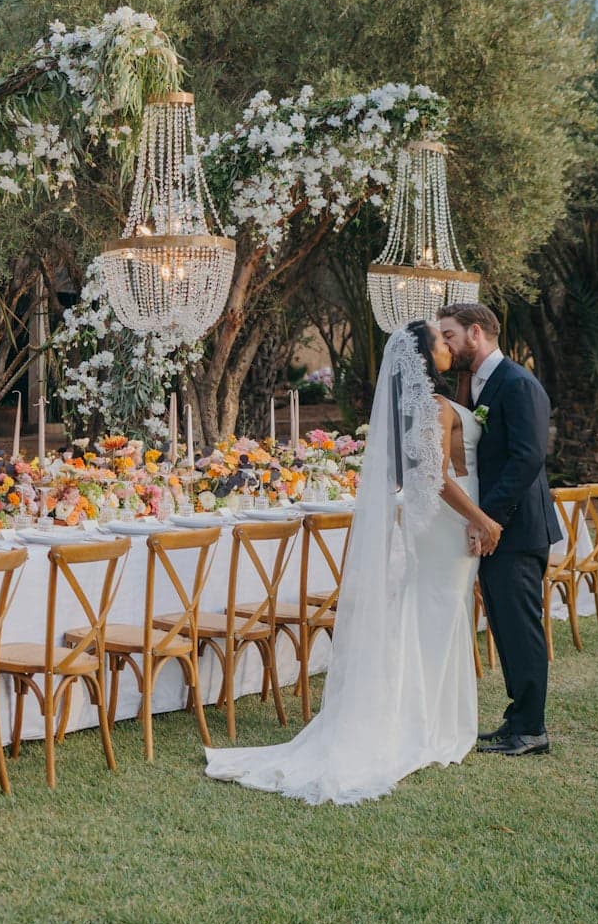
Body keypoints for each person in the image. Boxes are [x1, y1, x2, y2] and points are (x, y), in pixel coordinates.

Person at [202, 322, 500, 804]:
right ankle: (423, 724)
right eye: (440, 342)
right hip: (451, 525)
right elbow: (437, 478)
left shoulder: (437, 403)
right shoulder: (434, 409)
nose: (448, 345)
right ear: (426, 358)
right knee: (435, 621)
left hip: (448, 526)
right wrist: (482, 520)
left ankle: (434, 719)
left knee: (436, 622)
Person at [438, 302, 556, 757]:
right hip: (497, 528)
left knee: (520, 627)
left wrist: (487, 519)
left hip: (517, 528)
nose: (445, 345)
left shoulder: (518, 384)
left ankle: (532, 730)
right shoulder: (479, 384)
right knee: (505, 627)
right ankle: (518, 720)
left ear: (475, 333)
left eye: (449, 335)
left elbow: (527, 457)